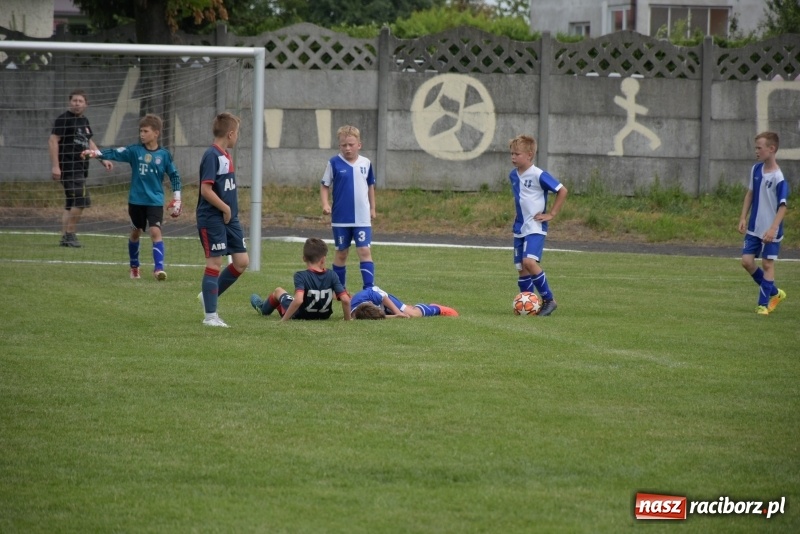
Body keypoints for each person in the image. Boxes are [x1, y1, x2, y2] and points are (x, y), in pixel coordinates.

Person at [82, 114, 182, 280]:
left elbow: (175, 176)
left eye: (145, 131)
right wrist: (94, 153)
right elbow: (114, 153)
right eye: (140, 131)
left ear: (156, 133)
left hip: (155, 201)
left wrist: (177, 198)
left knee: (155, 231)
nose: (142, 134)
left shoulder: (164, 155)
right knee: (135, 233)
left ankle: (158, 270)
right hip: (136, 201)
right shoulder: (134, 151)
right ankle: (134, 267)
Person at [196, 112, 249, 327]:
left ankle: (207, 295)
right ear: (230, 133)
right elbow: (206, 190)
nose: (238, 137)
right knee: (215, 263)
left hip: (230, 218)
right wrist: (226, 208)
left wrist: (230, 211)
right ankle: (210, 317)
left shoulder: (226, 155)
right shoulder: (212, 155)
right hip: (212, 217)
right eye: (237, 133)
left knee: (242, 262)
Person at [508, 134, 568, 317]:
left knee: (529, 262)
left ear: (529, 155)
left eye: (517, 154)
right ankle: (529, 304)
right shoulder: (513, 175)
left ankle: (549, 300)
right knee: (521, 267)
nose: (513, 157)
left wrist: (551, 214)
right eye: (511, 153)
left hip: (535, 226)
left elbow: (562, 190)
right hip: (520, 226)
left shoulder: (538, 174)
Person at [48, 89, 113, 247]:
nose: (76, 103)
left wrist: (102, 159)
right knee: (82, 200)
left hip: (80, 168)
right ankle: (70, 234)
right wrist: (56, 166)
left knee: (71, 203)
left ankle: (65, 237)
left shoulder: (84, 121)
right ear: (70, 102)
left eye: (80, 101)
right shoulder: (64, 119)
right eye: (74, 100)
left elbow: (89, 142)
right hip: (69, 167)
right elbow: (52, 140)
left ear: (86, 104)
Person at [319, 125, 377, 291]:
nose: (348, 148)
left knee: (364, 250)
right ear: (339, 146)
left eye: (351, 144)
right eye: (344, 145)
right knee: (341, 252)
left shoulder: (366, 163)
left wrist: (373, 208)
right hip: (341, 218)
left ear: (359, 144)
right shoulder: (334, 163)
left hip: (362, 218)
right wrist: (325, 204)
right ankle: (340, 290)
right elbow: (324, 185)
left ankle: (369, 288)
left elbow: (370, 185)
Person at [738, 131, 789, 315]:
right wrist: (743, 217)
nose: (756, 151)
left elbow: (783, 207)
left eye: (759, 148)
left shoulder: (779, 178)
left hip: (771, 230)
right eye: (756, 148)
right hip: (754, 227)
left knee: (768, 264)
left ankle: (762, 305)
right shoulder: (756, 169)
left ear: (771, 149)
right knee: (746, 262)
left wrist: (773, 228)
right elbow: (750, 194)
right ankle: (775, 293)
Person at [250, 238, 352, 321]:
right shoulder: (332, 275)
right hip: (324, 316)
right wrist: (348, 319)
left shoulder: (300, 275)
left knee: (278, 291)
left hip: (300, 315)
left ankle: (263, 308)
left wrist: (284, 320)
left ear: (304, 258)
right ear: (323, 259)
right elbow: (346, 300)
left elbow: (298, 300)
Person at [350, 286, 458, 319]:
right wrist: (396, 316)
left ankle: (437, 308)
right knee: (398, 314)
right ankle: (408, 307)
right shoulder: (356, 315)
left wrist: (398, 312)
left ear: (370, 302)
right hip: (376, 306)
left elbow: (384, 297)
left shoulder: (373, 296)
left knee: (412, 315)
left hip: (386, 299)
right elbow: (379, 317)